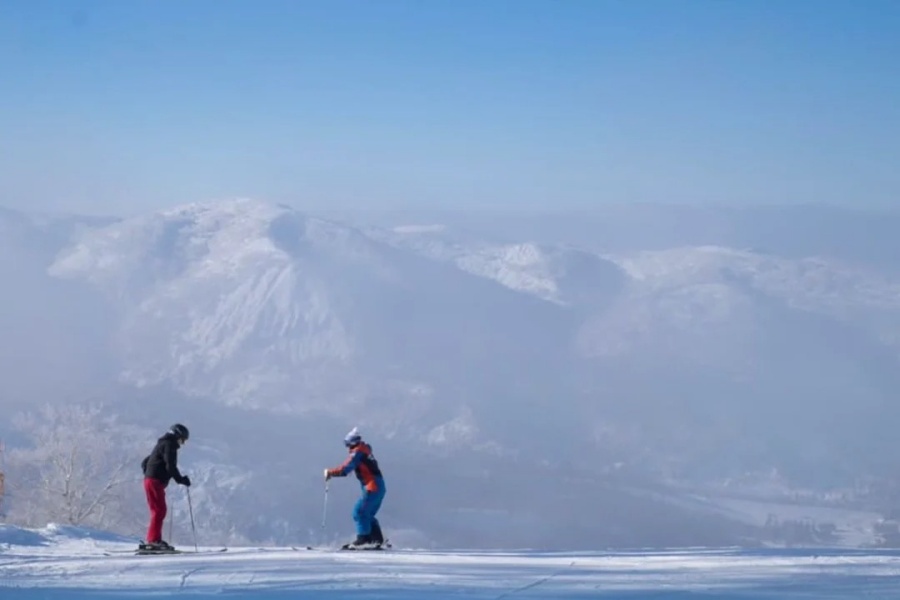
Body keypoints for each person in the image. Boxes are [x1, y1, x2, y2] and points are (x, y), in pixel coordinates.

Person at [324, 427, 387, 549]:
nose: (348, 448)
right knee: (367, 514)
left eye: (348, 444)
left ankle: (363, 539)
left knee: (359, 512)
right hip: (379, 486)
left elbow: (345, 469)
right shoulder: (365, 449)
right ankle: (376, 540)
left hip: (372, 487)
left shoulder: (358, 452)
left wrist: (330, 473)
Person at [139, 423, 192, 551]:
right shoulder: (169, 445)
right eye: (182, 439)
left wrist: (149, 474)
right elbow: (170, 466)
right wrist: (181, 479)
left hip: (151, 480)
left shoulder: (162, 444)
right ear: (177, 435)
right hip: (154, 481)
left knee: (158, 510)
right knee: (159, 510)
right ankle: (153, 541)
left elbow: (145, 462)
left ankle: (154, 539)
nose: (182, 443)